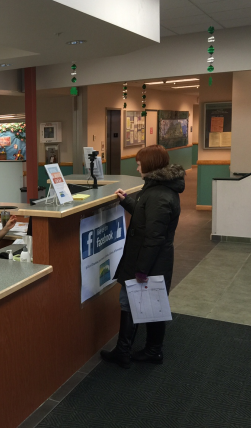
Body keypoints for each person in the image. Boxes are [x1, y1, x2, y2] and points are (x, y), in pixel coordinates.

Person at [101, 145, 185, 369]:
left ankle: (135, 351)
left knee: (137, 303)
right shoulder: (159, 189)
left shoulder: (159, 194)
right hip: (150, 259)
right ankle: (143, 350)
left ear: (150, 165)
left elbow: (153, 236)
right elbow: (146, 217)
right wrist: (127, 201)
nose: (137, 167)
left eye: (139, 164)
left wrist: (141, 270)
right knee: (149, 305)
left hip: (149, 260)